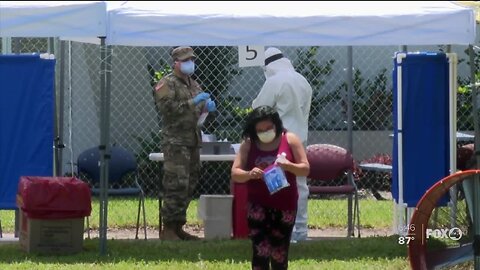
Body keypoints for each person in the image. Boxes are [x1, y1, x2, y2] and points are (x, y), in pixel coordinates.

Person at [231, 106, 310, 270]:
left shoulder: (290, 139)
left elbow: (305, 169)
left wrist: (288, 165)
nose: (264, 132)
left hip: (285, 205)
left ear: (276, 124)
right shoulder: (248, 144)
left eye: (268, 128)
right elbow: (235, 173)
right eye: (260, 130)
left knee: (279, 252)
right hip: (258, 205)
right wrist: (249, 174)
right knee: (260, 251)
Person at [154, 46, 216, 241]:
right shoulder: (166, 83)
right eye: (186, 60)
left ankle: (178, 225)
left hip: (193, 140)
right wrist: (193, 102)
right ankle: (168, 228)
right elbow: (167, 109)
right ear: (176, 63)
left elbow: (197, 111)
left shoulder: (193, 84)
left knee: (190, 183)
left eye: (192, 59)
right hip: (176, 141)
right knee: (176, 183)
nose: (190, 63)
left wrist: (205, 107)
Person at [252, 47, 313, 242]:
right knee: (300, 185)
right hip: (300, 140)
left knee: (277, 184)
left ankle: (282, 229)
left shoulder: (274, 81)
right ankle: (300, 230)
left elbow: (259, 108)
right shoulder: (302, 80)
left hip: (280, 143)